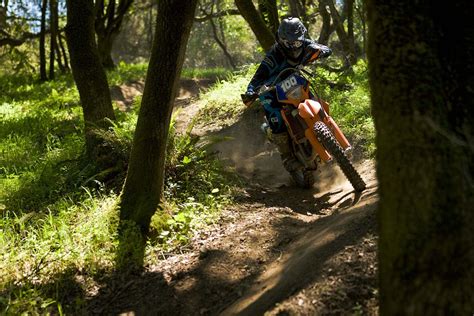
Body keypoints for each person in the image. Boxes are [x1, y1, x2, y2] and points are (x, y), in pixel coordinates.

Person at [242, 17, 332, 174]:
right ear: (281, 39)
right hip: (273, 89)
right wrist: (251, 91)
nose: (295, 46)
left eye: (298, 41)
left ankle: (328, 132)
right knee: (272, 111)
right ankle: (287, 156)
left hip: (295, 82)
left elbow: (322, 48)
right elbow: (258, 77)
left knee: (315, 99)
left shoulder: (305, 45)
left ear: (302, 36)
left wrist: (322, 52)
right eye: (290, 43)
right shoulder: (273, 56)